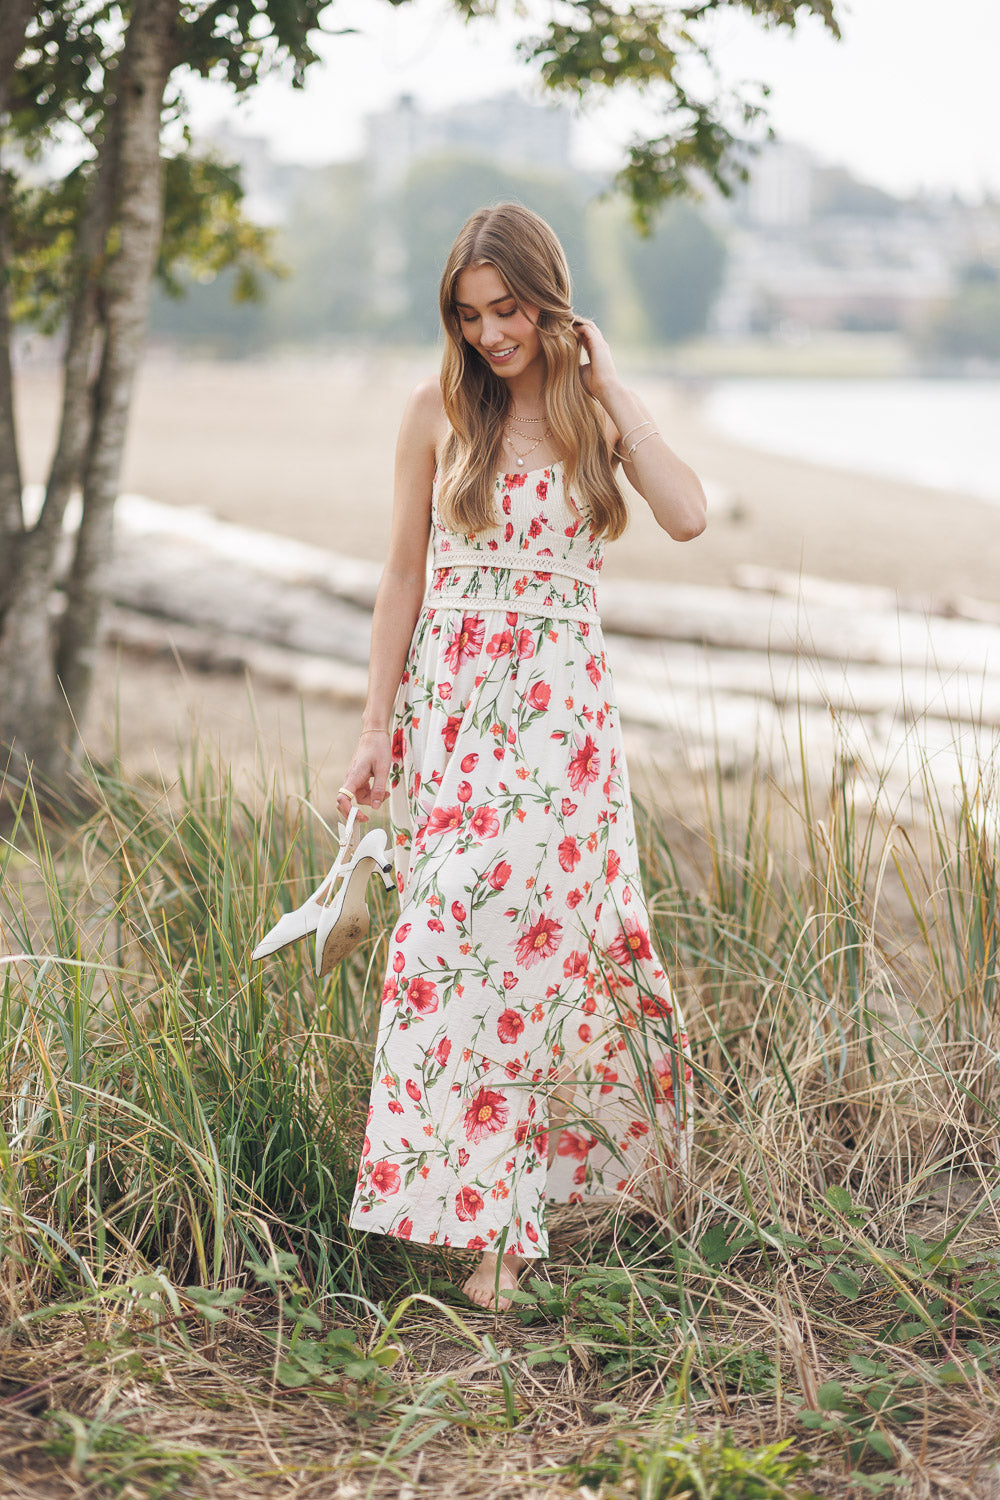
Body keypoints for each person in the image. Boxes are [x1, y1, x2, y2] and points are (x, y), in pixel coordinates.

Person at [335, 203, 706, 1309]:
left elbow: (687, 515)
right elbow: (402, 573)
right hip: (452, 709)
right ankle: (469, 1205)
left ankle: (517, 1225)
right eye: (469, 314)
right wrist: (375, 728)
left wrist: (613, 388)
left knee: (539, 952)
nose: (491, 333)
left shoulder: (595, 412)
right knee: (446, 933)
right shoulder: (437, 408)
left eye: (508, 309)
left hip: (561, 721)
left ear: (550, 301)